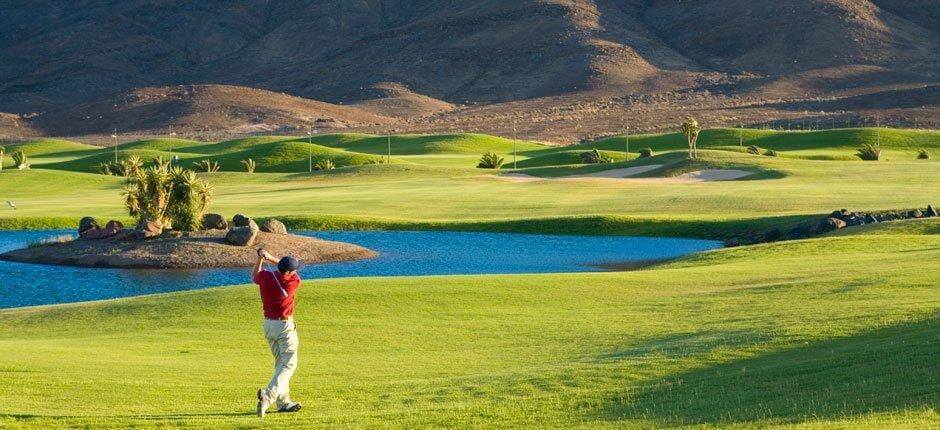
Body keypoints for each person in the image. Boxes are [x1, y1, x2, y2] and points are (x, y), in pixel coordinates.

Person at [252, 248, 303, 418]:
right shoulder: (293, 281)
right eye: (294, 269)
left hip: (268, 325)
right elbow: (288, 271)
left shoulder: (266, 277)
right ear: (289, 272)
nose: (295, 271)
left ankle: (284, 403)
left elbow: (255, 276)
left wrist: (261, 258)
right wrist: (272, 258)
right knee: (289, 365)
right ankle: (268, 397)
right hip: (284, 326)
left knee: (280, 364)